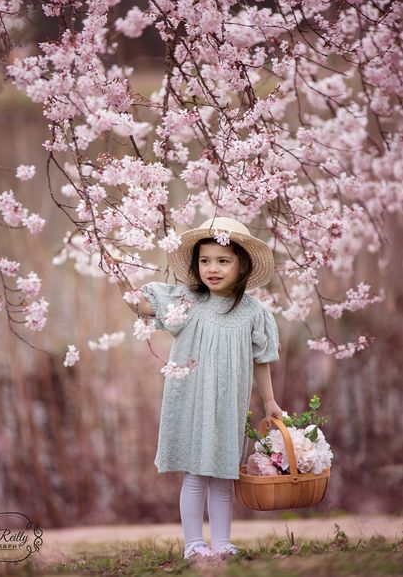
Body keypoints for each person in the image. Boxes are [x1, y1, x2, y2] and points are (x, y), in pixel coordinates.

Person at [109, 217, 283, 561]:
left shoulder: (253, 312)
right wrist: (115, 271)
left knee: (223, 473)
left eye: (223, 261)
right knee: (195, 472)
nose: (212, 269)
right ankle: (194, 543)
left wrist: (270, 401)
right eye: (205, 261)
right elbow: (141, 305)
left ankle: (221, 542)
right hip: (191, 399)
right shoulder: (187, 302)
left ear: (242, 265)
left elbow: (261, 359)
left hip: (228, 403)